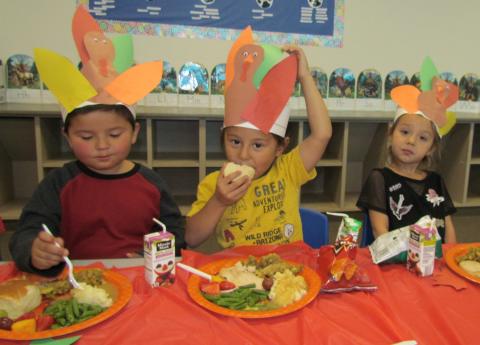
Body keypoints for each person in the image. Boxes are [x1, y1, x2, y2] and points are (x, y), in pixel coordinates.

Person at [9, 6, 185, 277]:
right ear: (67, 137)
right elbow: (27, 232)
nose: (102, 145)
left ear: (135, 133)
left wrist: (156, 254)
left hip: (139, 278)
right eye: (86, 137)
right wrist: (35, 250)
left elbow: (172, 231)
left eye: (115, 135)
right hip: (77, 282)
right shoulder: (58, 184)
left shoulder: (151, 183)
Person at [185, 29, 332, 248]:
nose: (243, 155)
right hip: (239, 275)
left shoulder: (288, 170)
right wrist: (219, 201)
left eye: (257, 145)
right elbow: (191, 238)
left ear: (280, 147)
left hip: (288, 273)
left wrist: (305, 77)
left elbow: (322, 134)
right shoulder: (213, 185)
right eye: (235, 141)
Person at [356, 57, 458, 244]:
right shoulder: (380, 179)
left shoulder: (436, 181)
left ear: (430, 148)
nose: (411, 141)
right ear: (390, 134)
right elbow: (381, 234)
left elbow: (449, 231)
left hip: (435, 264)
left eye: (422, 138)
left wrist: (448, 260)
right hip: (397, 263)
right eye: (404, 132)